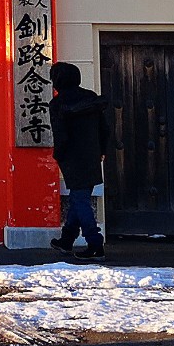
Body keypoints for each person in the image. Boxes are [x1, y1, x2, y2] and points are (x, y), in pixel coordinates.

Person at [48, 61, 114, 259]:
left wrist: (59, 155)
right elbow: (105, 128)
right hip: (92, 154)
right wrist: (102, 150)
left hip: (72, 157)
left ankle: (94, 243)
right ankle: (67, 240)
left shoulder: (58, 104)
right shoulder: (92, 99)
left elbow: (61, 135)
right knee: (79, 197)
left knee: (80, 199)